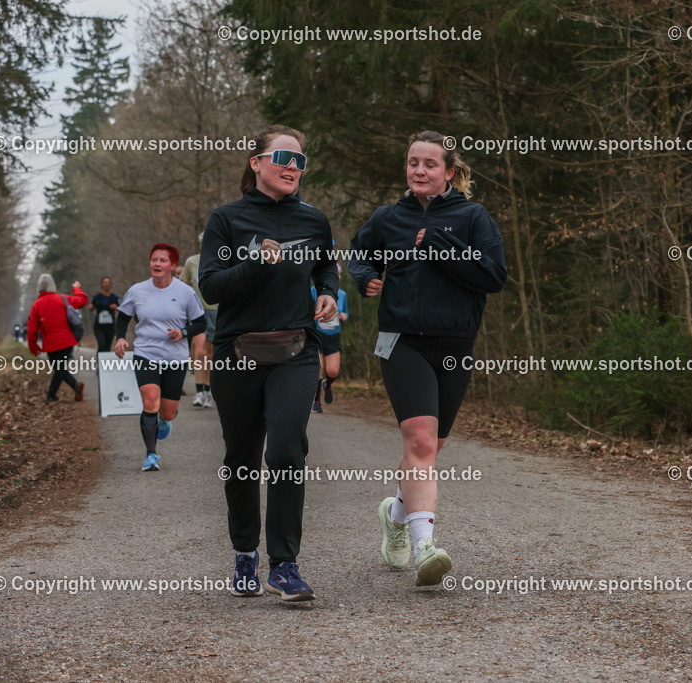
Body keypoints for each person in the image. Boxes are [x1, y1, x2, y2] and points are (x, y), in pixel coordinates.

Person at [348, 130, 507, 587]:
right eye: (413, 163)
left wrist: (437, 244)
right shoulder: (386, 218)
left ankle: (396, 514)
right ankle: (425, 548)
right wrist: (364, 279)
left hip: (455, 344)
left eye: (430, 164)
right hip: (402, 341)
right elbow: (359, 256)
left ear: (449, 173)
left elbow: (493, 276)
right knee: (419, 442)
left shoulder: (473, 217)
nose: (419, 170)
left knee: (431, 450)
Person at [199, 125, 338, 602]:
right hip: (237, 354)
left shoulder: (315, 220)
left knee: (285, 450)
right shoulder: (226, 219)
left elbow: (325, 265)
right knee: (241, 458)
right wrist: (256, 262)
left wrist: (327, 294)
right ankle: (244, 556)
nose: (292, 167)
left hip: (296, 352)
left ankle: (284, 564)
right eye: (283, 157)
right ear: (256, 162)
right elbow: (211, 289)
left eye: (300, 160)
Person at [113, 243, 205, 472]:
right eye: (154, 260)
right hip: (146, 352)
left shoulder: (185, 292)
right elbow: (123, 317)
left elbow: (201, 323)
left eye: (163, 260)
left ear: (173, 266)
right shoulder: (137, 291)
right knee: (149, 401)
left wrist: (183, 332)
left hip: (176, 357)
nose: (157, 264)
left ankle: (163, 420)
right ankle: (151, 455)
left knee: (168, 412)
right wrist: (120, 338)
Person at [26, 274, 88, 404]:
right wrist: (76, 288)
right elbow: (82, 301)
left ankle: (51, 395)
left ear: (39, 287)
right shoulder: (63, 298)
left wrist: (33, 347)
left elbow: (32, 330)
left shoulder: (37, 305)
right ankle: (75, 387)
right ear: (52, 285)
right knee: (60, 369)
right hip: (66, 341)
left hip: (50, 344)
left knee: (59, 368)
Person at [181, 235, 217, 408]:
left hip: (218, 311)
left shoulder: (222, 259)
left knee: (210, 354)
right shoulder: (191, 261)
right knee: (200, 351)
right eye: (204, 242)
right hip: (198, 311)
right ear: (201, 244)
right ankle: (199, 392)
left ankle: (208, 391)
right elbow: (182, 284)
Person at [310, 269, 348, 413]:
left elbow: (346, 312)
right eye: (335, 273)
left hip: (333, 336)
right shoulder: (313, 291)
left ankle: (328, 385)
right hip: (317, 334)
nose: (337, 276)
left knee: (333, 372)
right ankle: (317, 401)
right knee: (319, 370)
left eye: (338, 274)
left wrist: (344, 317)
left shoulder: (343, 294)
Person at [90, 277, 121, 353]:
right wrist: (91, 307)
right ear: (101, 285)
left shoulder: (115, 298)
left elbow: (121, 310)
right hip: (99, 326)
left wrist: (116, 307)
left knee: (107, 346)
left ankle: (104, 363)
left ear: (111, 285)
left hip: (110, 326)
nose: (107, 284)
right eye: (105, 282)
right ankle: (99, 362)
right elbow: (91, 308)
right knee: (102, 344)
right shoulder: (96, 297)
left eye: (108, 282)